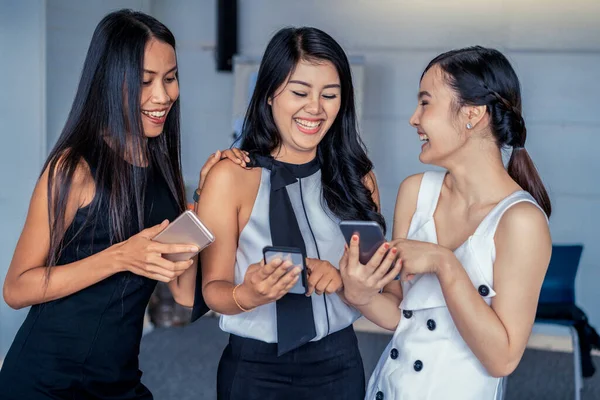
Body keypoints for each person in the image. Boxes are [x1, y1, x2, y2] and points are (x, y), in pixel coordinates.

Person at [0, 9, 243, 399]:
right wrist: (120, 257)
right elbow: (16, 288)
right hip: (46, 381)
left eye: (170, 77)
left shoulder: (164, 173)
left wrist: (203, 199)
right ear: (111, 82)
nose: (162, 96)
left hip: (117, 380)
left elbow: (183, 293)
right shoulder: (74, 167)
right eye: (145, 81)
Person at [339, 46, 552, 400]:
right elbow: (399, 313)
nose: (413, 118)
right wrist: (359, 294)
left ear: (472, 114)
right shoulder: (416, 191)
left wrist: (444, 262)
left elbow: (502, 357)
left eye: (425, 102)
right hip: (389, 389)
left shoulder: (521, 221)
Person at [195, 26, 385, 400]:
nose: (315, 108)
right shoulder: (231, 177)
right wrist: (248, 294)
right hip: (255, 370)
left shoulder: (358, 178)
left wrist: (346, 280)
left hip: (339, 363)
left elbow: (382, 285)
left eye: (329, 95)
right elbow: (213, 289)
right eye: (300, 92)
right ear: (268, 94)